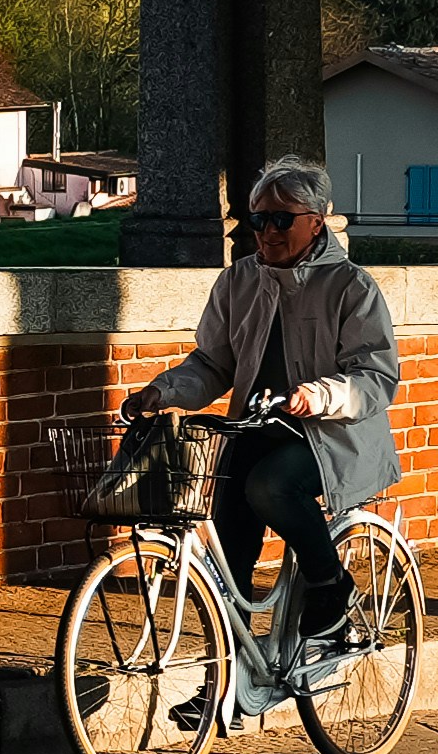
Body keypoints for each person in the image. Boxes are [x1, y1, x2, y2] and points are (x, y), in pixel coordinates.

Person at [122, 155, 401, 688]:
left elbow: (375, 376)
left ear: (315, 221)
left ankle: (329, 583)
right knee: (229, 550)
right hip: (255, 426)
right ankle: (226, 683)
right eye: (258, 219)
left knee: (271, 487)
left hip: (330, 436)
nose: (267, 231)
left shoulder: (351, 286)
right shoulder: (238, 281)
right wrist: (163, 391)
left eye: (281, 219)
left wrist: (319, 395)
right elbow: (212, 363)